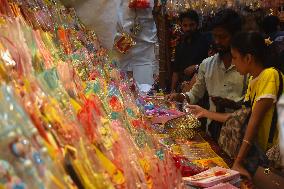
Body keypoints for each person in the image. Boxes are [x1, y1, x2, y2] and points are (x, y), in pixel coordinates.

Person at [188, 32, 284, 178]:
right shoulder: (254, 79)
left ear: (248, 58)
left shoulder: (269, 76)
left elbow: (253, 122)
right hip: (262, 156)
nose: (233, 62)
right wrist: (205, 113)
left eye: (235, 57)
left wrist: (238, 161)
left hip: (273, 159)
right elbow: (241, 118)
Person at [167, 9, 246, 141]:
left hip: (239, 136)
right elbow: (195, 94)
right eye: (215, 36)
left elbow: (250, 111)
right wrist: (180, 96)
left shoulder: (246, 67)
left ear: (236, 36)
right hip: (213, 133)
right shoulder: (207, 64)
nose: (217, 41)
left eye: (222, 37)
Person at [171, 10, 210, 92]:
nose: (188, 28)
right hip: (184, 89)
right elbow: (176, 72)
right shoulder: (180, 46)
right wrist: (172, 91)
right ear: (181, 26)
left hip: (202, 88)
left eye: (191, 25)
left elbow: (213, 62)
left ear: (197, 24)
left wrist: (196, 67)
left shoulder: (206, 40)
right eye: (185, 25)